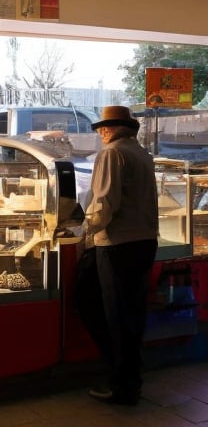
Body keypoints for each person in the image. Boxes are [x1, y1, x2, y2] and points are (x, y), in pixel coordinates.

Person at [80, 105, 159, 406]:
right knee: (132, 314)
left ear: (111, 129)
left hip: (117, 244)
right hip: (143, 242)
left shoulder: (112, 154)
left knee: (116, 315)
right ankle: (131, 380)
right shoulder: (142, 154)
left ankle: (122, 386)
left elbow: (104, 203)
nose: (100, 132)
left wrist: (84, 232)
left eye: (103, 127)